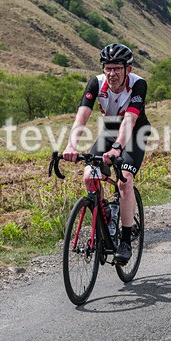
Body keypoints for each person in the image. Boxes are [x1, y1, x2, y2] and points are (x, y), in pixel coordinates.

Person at [63, 43, 151, 264]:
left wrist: (117, 148)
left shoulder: (138, 84)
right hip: (110, 130)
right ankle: (106, 213)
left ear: (127, 70)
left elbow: (130, 120)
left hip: (136, 133)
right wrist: (71, 145)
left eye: (117, 69)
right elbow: (82, 116)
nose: (112, 73)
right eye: (108, 68)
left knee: (124, 181)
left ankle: (126, 240)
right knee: (88, 176)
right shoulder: (96, 83)